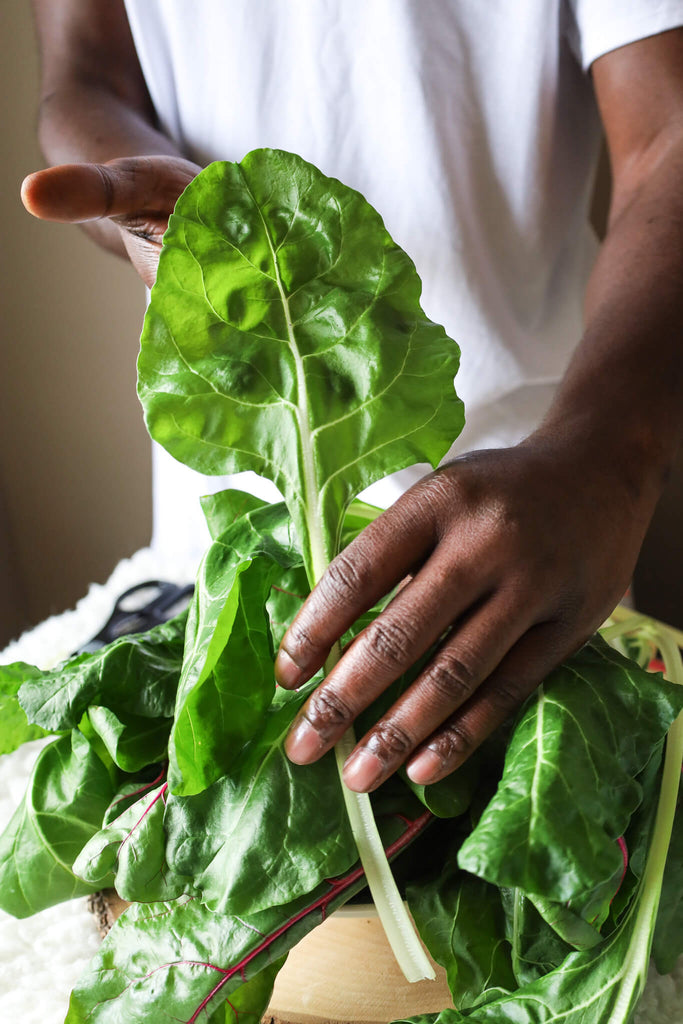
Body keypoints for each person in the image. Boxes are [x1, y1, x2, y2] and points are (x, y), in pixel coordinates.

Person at [22, 1, 683, 795]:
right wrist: (145, 192)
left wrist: (610, 456)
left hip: (534, 558)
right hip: (227, 576)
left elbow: (667, 131)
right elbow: (85, 77)